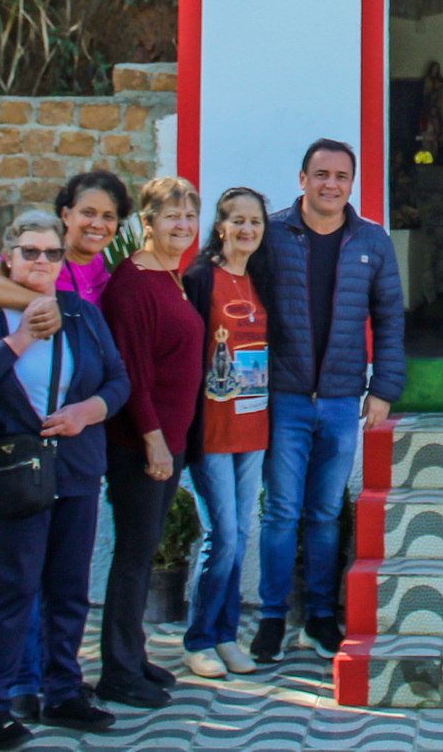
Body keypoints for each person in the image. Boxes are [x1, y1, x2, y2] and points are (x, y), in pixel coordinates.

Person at [0, 216, 130, 750]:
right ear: (8, 257)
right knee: (15, 590)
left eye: (52, 254)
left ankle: (62, 691)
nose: (42, 262)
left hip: (75, 465)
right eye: (30, 252)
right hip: (16, 471)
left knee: (69, 589)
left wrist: (88, 411)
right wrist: (22, 336)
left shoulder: (82, 313)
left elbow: (118, 379)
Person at [250, 140, 407, 663]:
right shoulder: (270, 235)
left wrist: (383, 388)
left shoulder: (371, 241)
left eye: (341, 176)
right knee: (281, 513)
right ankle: (273, 618)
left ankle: (319, 616)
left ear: (352, 183)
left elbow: (389, 319)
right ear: (302, 179)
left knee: (322, 513)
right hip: (284, 397)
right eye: (321, 175)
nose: (331, 185)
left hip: (342, 399)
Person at [95, 177, 206, 710]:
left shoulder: (170, 275)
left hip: (170, 440)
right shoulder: (132, 284)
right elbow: (131, 376)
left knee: (142, 552)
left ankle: (134, 656)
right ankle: (117, 671)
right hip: (142, 446)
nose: (182, 226)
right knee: (135, 557)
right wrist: (155, 443)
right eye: (171, 217)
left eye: (189, 217)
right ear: (147, 222)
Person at [181, 187, 274, 679]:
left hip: (254, 426)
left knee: (242, 535)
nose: (247, 230)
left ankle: (225, 635)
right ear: (220, 225)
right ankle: (199, 639)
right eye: (237, 221)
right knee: (224, 535)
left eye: (255, 222)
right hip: (212, 430)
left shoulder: (260, 279)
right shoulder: (200, 278)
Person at [0, 170, 130, 317]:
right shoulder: (42, 257)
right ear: (65, 215)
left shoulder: (100, 266)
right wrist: (44, 304)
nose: (97, 225)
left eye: (108, 216)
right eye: (88, 213)